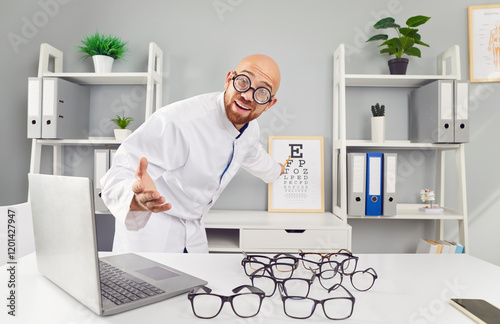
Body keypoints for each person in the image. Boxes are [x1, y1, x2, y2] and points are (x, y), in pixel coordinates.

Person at [101, 54, 285, 253]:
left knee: (199, 282)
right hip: (152, 230)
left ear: (269, 104)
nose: (248, 95)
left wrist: (276, 171)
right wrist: (136, 199)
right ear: (229, 79)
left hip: (194, 231)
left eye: (262, 92)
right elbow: (118, 174)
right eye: (243, 81)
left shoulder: (250, 128)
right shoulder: (177, 121)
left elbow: (252, 152)